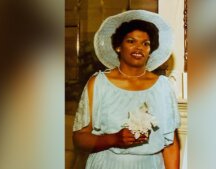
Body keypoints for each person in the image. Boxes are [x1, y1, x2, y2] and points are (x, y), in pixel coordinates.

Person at [73, 10, 180, 169]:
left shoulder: (163, 87)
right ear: (118, 46)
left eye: (146, 43)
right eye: (131, 41)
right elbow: (79, 139)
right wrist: (114, 139)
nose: (139, 47)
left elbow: (171, 146)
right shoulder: (99, 83)